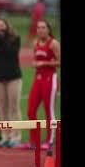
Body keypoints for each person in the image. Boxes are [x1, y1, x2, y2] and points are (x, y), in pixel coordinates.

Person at [18, 20, 60, 150]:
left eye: (43, 27)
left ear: (48, 29)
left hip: (50, 78)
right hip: (38, 78)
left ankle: (50, 140)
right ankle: (33, 141)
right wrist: (35, 63)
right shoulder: (36, 43)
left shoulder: (53, 43)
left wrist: (45, 64)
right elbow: (36, 60)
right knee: (31, 110)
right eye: (38, 28)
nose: (40, 30)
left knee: (49, 110)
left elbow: (59, 62)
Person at [0, 18, 23, 148]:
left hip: (13, 77)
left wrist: (2, 40)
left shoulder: (15, 38)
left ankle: (16, 136)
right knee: (2, 108)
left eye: (1, 25)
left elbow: (12, 53)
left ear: (6, 26)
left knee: (14, 107)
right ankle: (5, 136)